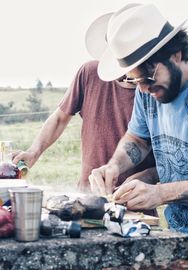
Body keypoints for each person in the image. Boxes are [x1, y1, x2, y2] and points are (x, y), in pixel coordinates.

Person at [87, 3, 188, 270]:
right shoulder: (148, 90)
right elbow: (138, 138)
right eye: (135, 80)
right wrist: (114, 166)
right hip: (178, 244)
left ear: (176, 53)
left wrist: (160, 193)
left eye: (148, 79)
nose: (144, 90)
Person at [12, 59, 157, 194]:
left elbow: (172, 160)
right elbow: (59, 119)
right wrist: (33, 152)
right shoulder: (90, 72)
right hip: (87, 194)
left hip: (137, 198)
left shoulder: (157, 90)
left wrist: (148, 177)